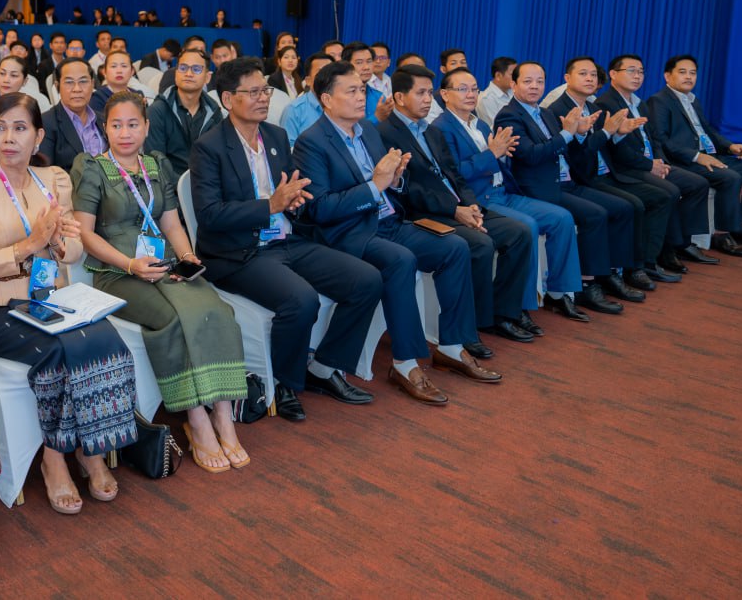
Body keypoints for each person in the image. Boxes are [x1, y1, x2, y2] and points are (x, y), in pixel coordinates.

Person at [0, 93, 138, 514]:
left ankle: (91, 448)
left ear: (37, 137)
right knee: (57, 350)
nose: (9, 138)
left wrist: (57, 244)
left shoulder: (53, 179)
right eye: (0, 128)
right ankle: (55, 457)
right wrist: (28, 244)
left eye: (20, 129)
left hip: (50, 300)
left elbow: (75, 249)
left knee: (106, 338)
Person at [189, 58, 382, 422]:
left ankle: (324, 367)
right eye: (253, 92)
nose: (264, 98)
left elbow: (293, 190)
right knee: (302, 299)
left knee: (367, 280)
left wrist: (295, 201)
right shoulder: (209, 147)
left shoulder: (275, 136)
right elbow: (210, 215)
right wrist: (270, 206)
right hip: (241, 252)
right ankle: (284, 383)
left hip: (287, 240)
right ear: (228, 99)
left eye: (266, 90)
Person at [293, 62, 500, 399]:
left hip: (389, 222)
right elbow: (320, 208)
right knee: (400, 260)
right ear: (327, 99)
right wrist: (375, 185)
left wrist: (396, 179)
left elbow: (392, 187)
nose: (361, 97)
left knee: (455, 248)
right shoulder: (311, 142)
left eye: (362, 89)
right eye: (352, 91)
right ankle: (405, 363)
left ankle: (451, 345)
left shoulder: (368, 130)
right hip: (349, 232)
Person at [73, 92, 251, 470]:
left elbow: (171, 222)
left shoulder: (156, 165)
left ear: (146, 127)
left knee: (217, 310)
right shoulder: (91, 168)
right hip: (116, 272)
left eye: (132, 124)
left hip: (164, 263)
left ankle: (223, 414)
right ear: (105, 129)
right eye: (116, 125)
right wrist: (129, 264)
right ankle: (196, 419)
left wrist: (186, 255)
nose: (125, 133)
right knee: (172, 318)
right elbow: (85, 234)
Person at [377, 65, 536, 350]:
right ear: (399, 97)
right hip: (423, 214)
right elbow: (409, 190)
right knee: (480, 244)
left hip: (459, 206)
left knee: (519, 233)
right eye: (421, 93)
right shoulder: (386, 133)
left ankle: (503, 313)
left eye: (430, 93)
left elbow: (455, 176)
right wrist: (455, 210)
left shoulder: (430, 131)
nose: (428, 99)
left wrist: (470, 204)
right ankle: (471, 327)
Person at [434, 68, 584, 333]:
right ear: (445, 94)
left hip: (503, 193)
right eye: (462, 89)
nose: (471, 94)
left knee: (561, 218)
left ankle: (559, 293)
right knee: (526, 228)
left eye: (474, 89)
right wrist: (492, 154)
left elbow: (502, 160)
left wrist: (499, 156)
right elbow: (454, 174)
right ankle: (518, 307)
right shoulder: (441, 128)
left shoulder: (480, 124)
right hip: (480, 200)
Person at [493, 62, 635, 316]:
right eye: (527, 81)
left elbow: (568, 151)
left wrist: (578, 134)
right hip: (538, 189)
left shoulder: (545, 113)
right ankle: (586, 285)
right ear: (513, 84)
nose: (535, 86)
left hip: (566, 181)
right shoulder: (509, 116)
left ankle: (609, 273)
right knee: (594, 215)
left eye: (539, 81)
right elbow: (531, 156)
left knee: (621, 207)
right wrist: (568, 134)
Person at [547, 57, 677, 285]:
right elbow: (576, 158)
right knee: (629, 205)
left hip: (608, 172)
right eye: (583, 74)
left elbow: (605, 146)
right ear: (567, 78)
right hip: (585, 178)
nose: (590, 79)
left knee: (658, 196)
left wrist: (617, 135)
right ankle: (620, 271)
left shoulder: (593, 107)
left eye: (593, 75)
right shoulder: (558, 110)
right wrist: (606, 133)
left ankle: (639, 265)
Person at [646, 54, 742, 255]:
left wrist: (730, 147)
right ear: (667, 76)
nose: (689, 77)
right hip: (686, 160)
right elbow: (661, 140)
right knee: (730, 177)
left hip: (710, 155)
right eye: (682, 72)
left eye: (693, 73)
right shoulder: (659, 101)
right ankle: (721, 234)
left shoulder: (693, 101)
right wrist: (697, 156)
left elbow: (708, 132)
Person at [596, 55, 714, 269]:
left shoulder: (639, 103)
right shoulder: (606, 104)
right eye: (631, 71)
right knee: (669, 191)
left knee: (697, 183)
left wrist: (660, 161)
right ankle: (660, 254)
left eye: (641, 72)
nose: (637, 76)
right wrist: (650, 166)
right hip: (626, 168)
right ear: (613, 74)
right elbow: (617, 151)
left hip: (650, 162)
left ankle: (682, 243)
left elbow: (653, 139)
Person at [144, 48, 222, 181]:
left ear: (207, 77)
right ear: (176, 73)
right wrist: (185, 187)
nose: (188, 74)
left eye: (196, 69)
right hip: (168, 188)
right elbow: (154, 163)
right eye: (183, 68)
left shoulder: (214, 113)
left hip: (207, 185)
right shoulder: (157, 111)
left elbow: (218, 159)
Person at [40, 58, 107, 171]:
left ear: (92, 84)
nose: (77, 89)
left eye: (83, 81)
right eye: (69, 82)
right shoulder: (46, 122)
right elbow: (44, 171)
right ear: (57, 86)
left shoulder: (103, 119)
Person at [279, 53, 335, 145]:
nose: (327, 79)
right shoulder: (294, 110)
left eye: (331, 74)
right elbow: (287, 148)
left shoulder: (342, 107)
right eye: (320, 74)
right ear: (308, 81)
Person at [343, 41, 393, 124]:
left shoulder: (379, 97)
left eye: (369, 61)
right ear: (346, 65)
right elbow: (349, 129)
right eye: (359, 62)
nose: (366, 67)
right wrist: (377, 117)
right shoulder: (340, 97)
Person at [88, 50, 137, 115]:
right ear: (104, 72)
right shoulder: (97, 98)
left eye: (124, 66)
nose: (119, 71)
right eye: (113, 66)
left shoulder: (137, 95)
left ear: (132, 71)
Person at [477, 57, 517, 127]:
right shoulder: (487, 99)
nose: (516, 78)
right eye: (513, 75)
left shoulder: (513, 91)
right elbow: (498, 127)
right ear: (498, 76)